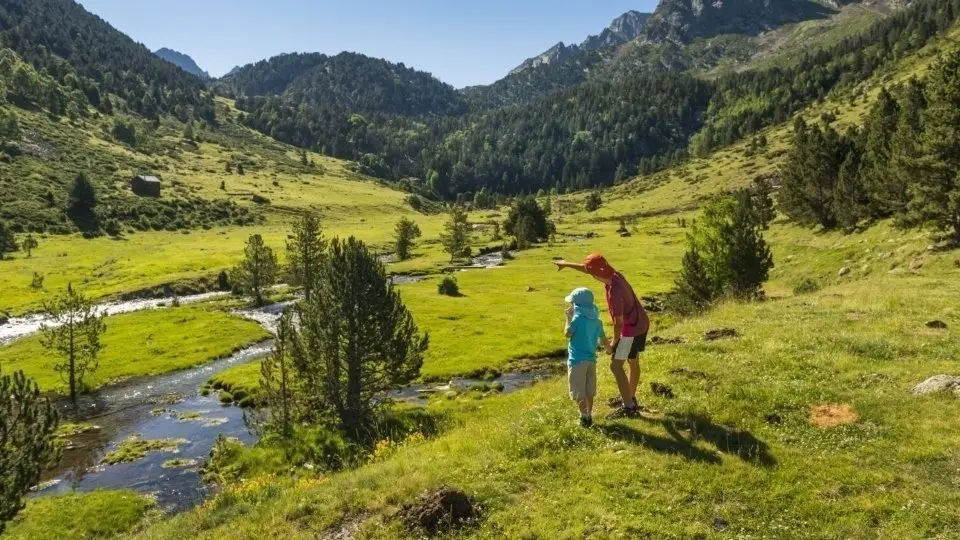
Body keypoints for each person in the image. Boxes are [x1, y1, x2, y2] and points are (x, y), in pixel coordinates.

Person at [554, 253, 650, 418]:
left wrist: (613, 343)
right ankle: (630, 397)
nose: (589, 274)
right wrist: (566, 263)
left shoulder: (614, 292)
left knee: (615, 366)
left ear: (595, 274)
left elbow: (619, 323)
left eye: (591, 273)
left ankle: (628, 407)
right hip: (642, 322)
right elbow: (588, 269)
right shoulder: (615, 275)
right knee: (633, 360)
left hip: (629, 331)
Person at [564, 287, 612, 428]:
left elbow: (568, 333)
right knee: (589, 390)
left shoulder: (577, 319)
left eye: (572, 303)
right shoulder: (597, 321)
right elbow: (603, 339)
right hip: (591, 360)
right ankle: (588, 414)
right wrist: (610, 350)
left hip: (577, 361)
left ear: (577, 305)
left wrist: (568, 318)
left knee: (579, 391)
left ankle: (584, 418)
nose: (571, 306)